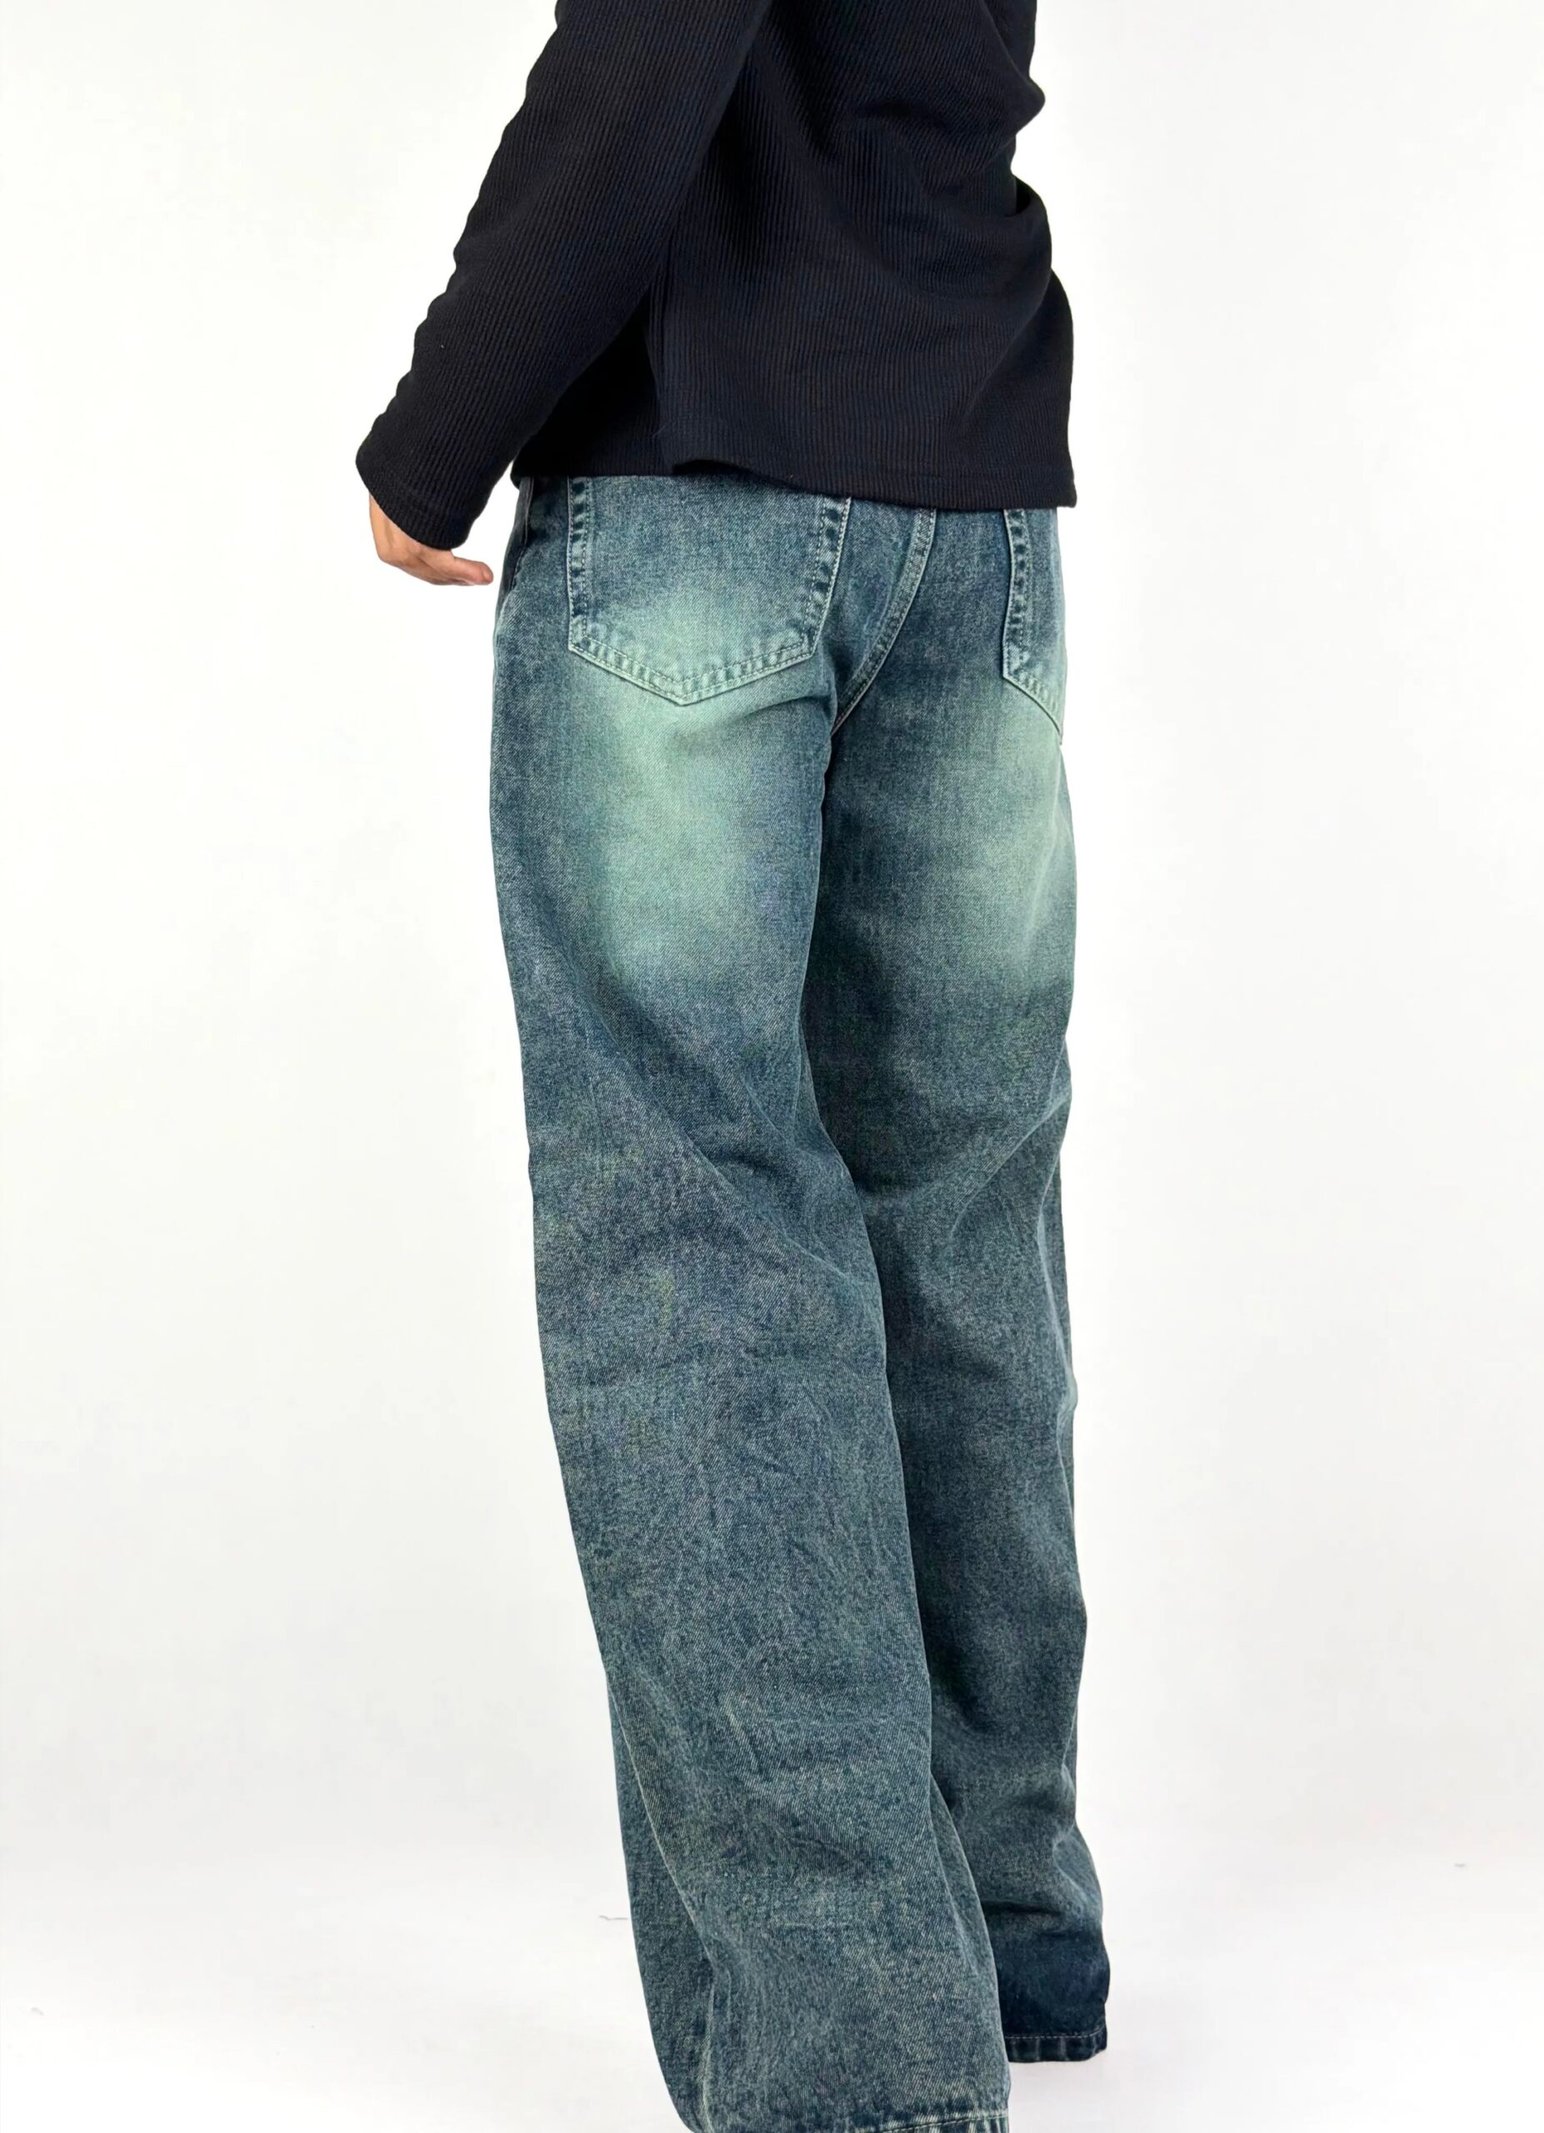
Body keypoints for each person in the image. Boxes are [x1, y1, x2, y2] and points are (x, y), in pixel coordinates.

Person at [356, 2, 1110, 2128]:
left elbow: (650, 53)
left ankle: (857, 2056)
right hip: (973, 505)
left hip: (703, 503)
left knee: (694, 1246)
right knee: (956, 1220)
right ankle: (999, 1913)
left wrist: (437, 428)